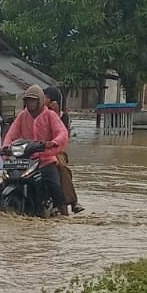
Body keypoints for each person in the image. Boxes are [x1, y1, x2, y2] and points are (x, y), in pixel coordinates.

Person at [3, 84, 70, 216]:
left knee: (55, 187)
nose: (30, 103)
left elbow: (62, 132)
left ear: (39, 100)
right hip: (24, 160)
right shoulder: (22, 116)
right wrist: (5, 149)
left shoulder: (50, 115)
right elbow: (11, 135)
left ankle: (64, 214)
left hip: (45, 159)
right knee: (3, 184)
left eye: (33, 100)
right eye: (28, 100)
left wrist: (54, 142)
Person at [44, 86, 85, 214]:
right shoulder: (37, 113)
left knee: (61, 169)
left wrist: (55, 113)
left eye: (45, 97)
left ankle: (72, 202)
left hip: (57, 151)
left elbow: (62, 135)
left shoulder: (62, 116)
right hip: (38, 150)